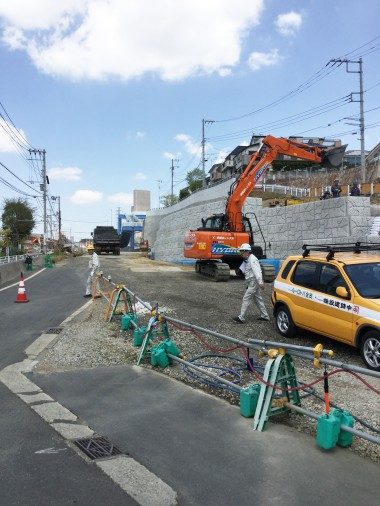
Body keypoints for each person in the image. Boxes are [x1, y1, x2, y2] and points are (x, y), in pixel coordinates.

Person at [233, 243, 269, 324]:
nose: (241, 254)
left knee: (246, 298)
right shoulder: (248, 259)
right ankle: (265, 316)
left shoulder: (253, 259)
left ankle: (241, 317)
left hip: (254, 283)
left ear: (247, 252)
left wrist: (260, 282)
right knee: (258, 299)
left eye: (241, 252)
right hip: (252, 283)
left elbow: (257, 271)